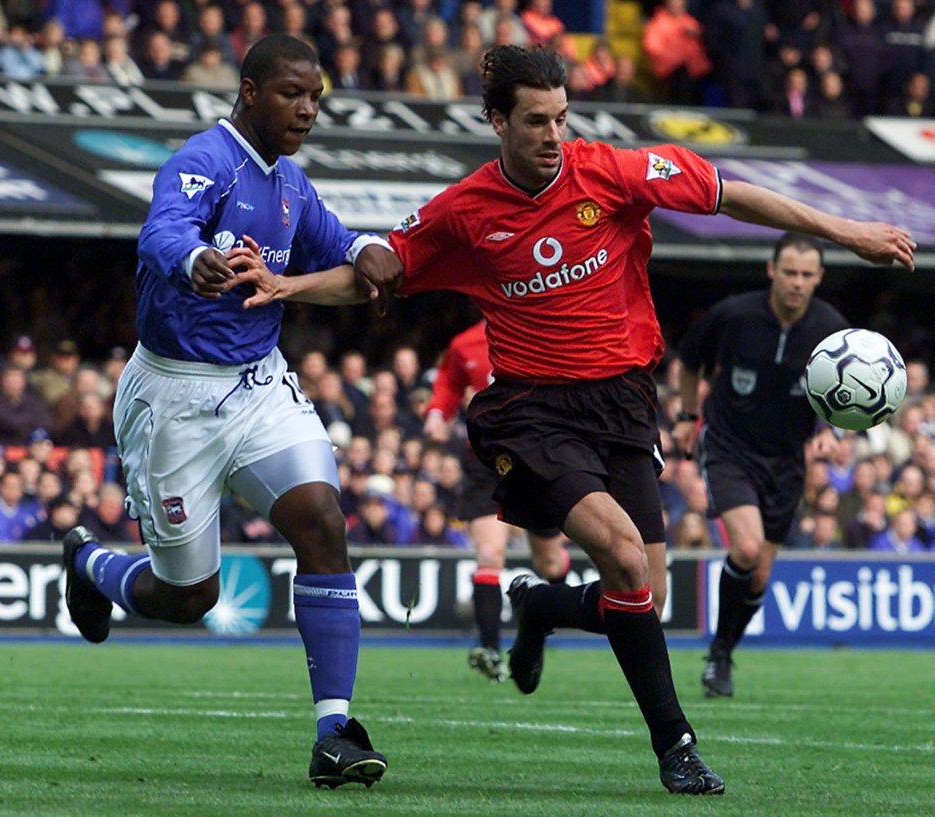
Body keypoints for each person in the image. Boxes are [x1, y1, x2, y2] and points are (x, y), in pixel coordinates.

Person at [227, 44, 914, 796]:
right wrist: (285, 283)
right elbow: (375, 273)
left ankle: (541, 604)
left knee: (643, 589)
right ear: (496, 121)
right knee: (622, 556)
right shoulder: (463, 212)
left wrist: (845, 232)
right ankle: (677, 746)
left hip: (623, 404)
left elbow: (734, 194)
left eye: (561, 118)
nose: (553, 135)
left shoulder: (613, 173)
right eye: (534, 121)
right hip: (532, 413)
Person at [58, 34, 397, 791]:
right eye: (291, 94)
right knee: (189, 597)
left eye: (315, 97)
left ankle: (334, 730)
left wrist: (371, 245)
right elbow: (161, 234)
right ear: (249, 91)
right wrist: (192, 259)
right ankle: (88, 564)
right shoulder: (203, 163)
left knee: (322, 517)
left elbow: (337, 239)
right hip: (173, 398)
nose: (307, 108)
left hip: (256, 386)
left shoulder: (289, 185)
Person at [672, 232, 854, 699]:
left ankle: (722, 651)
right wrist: (688, 417)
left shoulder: (832, 328)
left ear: (819, 278)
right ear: (771, 270)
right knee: (747, 548)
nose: (796, 282)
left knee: (760, 574)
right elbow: (689, 364)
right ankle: (718, 653)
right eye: (789, 272)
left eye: (806, 275)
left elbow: (846, 392)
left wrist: (835, 433)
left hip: (787, 458)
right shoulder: (733, 315)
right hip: (730, 447)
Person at [423, 318, 570, 683]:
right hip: (486, 459)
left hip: (536, 456)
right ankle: (489, 648)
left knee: (550, 562)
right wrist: (438, 414)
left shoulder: (539, 329)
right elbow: (448, 385)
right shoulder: (464, 344)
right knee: (489, 555)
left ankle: (537, 627)